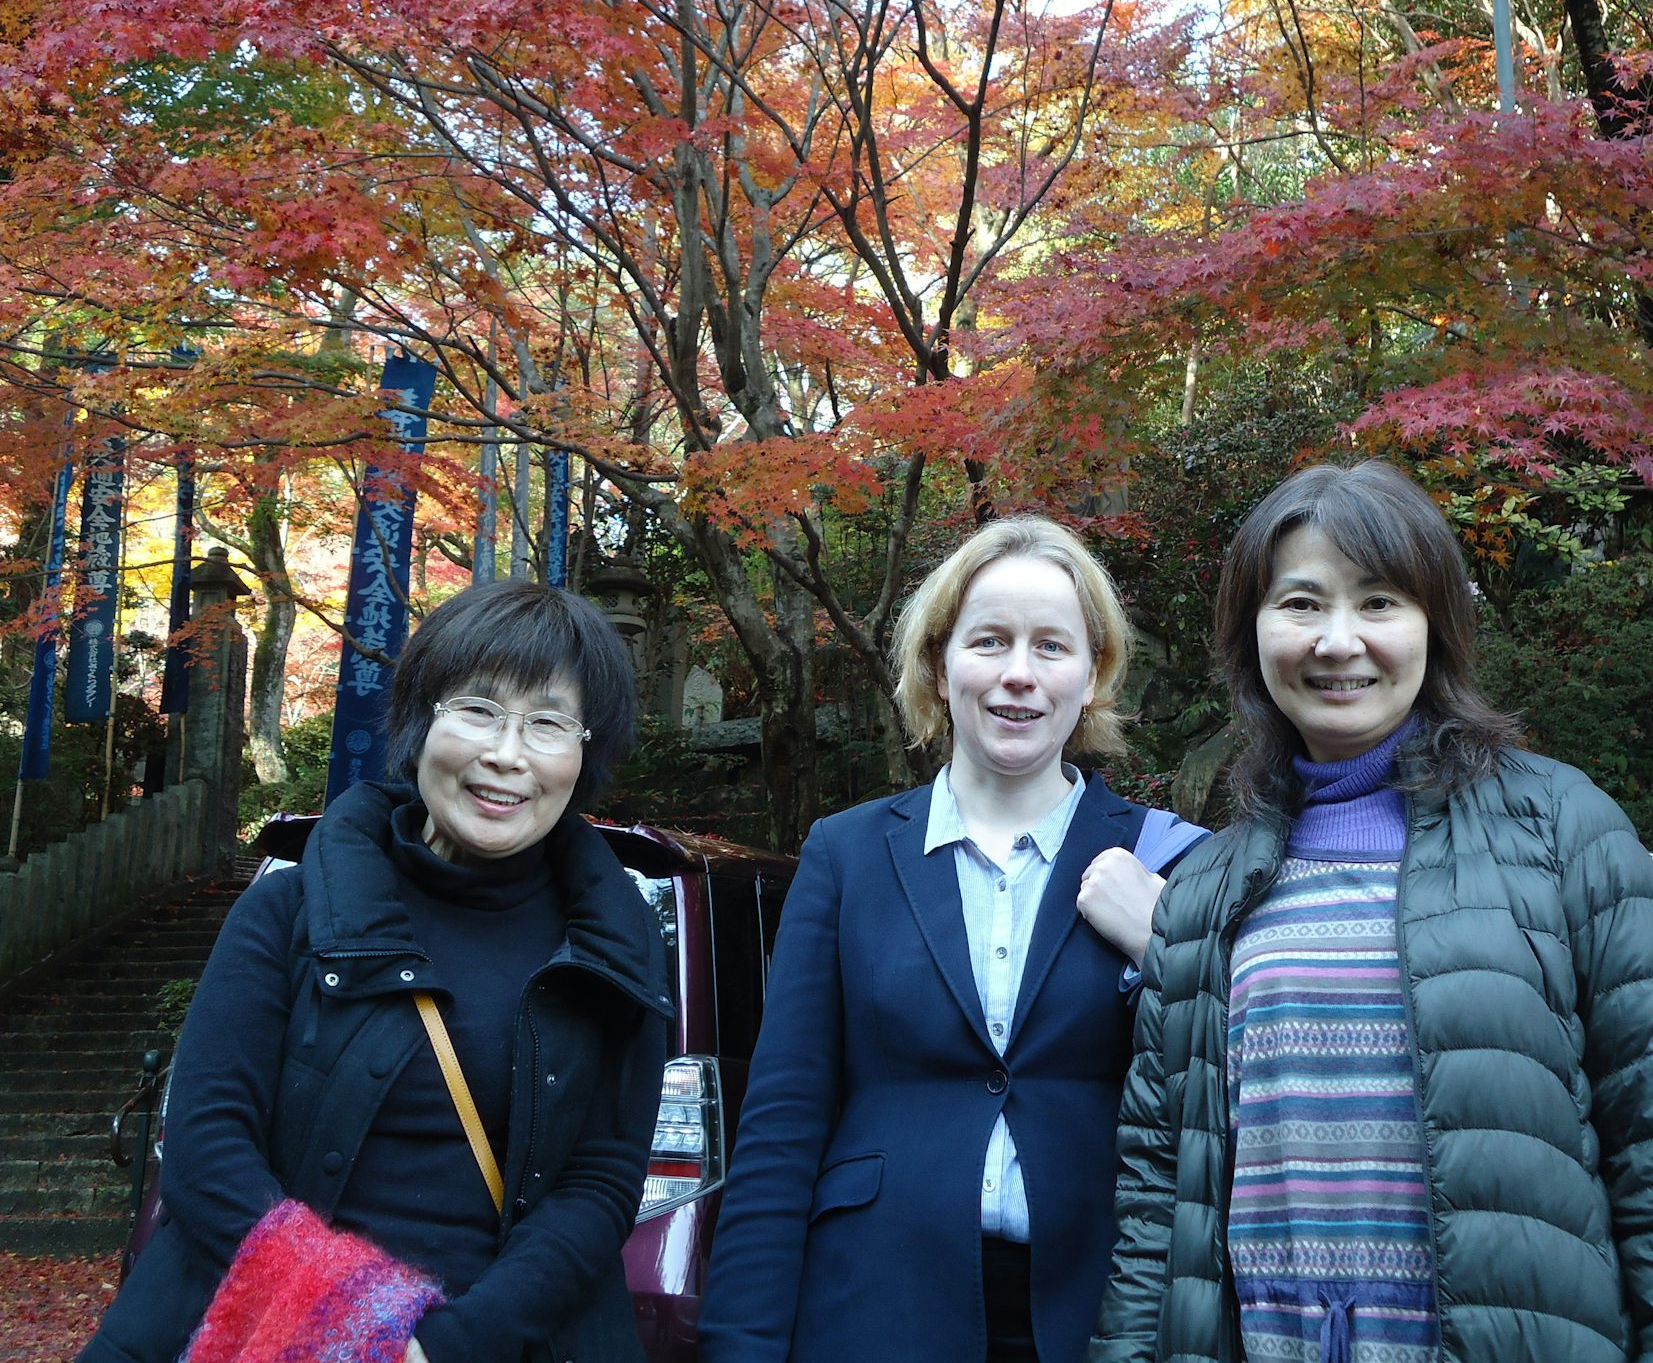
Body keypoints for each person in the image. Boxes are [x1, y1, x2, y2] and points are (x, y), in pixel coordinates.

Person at [1089, 460, 1653, 1363]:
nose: (1338, 642)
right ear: (1251, 632)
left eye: (1379, 603)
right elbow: (1155, 1218)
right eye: (1300, 604)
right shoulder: (1209, 891)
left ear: (1434, 625)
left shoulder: (1564, 830)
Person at [83, 580, 673, 1363]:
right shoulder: (291, 909)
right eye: (479, 710)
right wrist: (350, 1324)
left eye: (548, 724)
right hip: (259, 1320)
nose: (507, 753)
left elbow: (600, 1182)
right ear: (423, 718)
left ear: (584, 751)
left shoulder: (614, 944)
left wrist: (451, 1345)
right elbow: (205, 1141)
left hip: (502, 1339)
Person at [698, 517, 1208, 1363]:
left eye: (1052, 646)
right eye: (989, 641)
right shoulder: (847, 854)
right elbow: (783, 1126)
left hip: (1102, 1310)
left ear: (1094, 675)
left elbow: (1230, 1099)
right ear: (940, 665)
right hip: (871, 1305)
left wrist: (1166, 945)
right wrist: (740, 1348)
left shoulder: (1171, 862)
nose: (1018, 674)